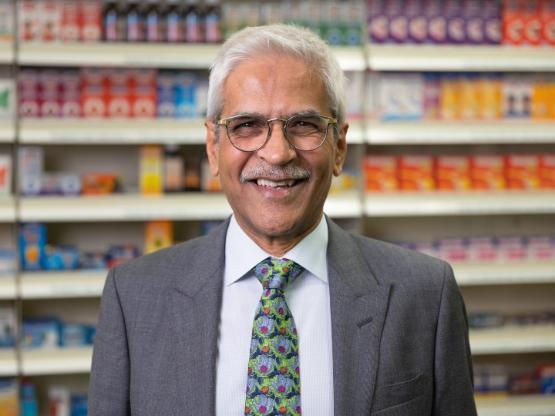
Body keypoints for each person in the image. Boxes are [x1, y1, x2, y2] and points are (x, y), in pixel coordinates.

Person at [89, 24, 477, 416]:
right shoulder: (133, 296)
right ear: (213, 147)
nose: (276, 154)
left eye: (304, 125)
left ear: (339, 146)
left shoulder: (426, 293)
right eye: (246, 126)